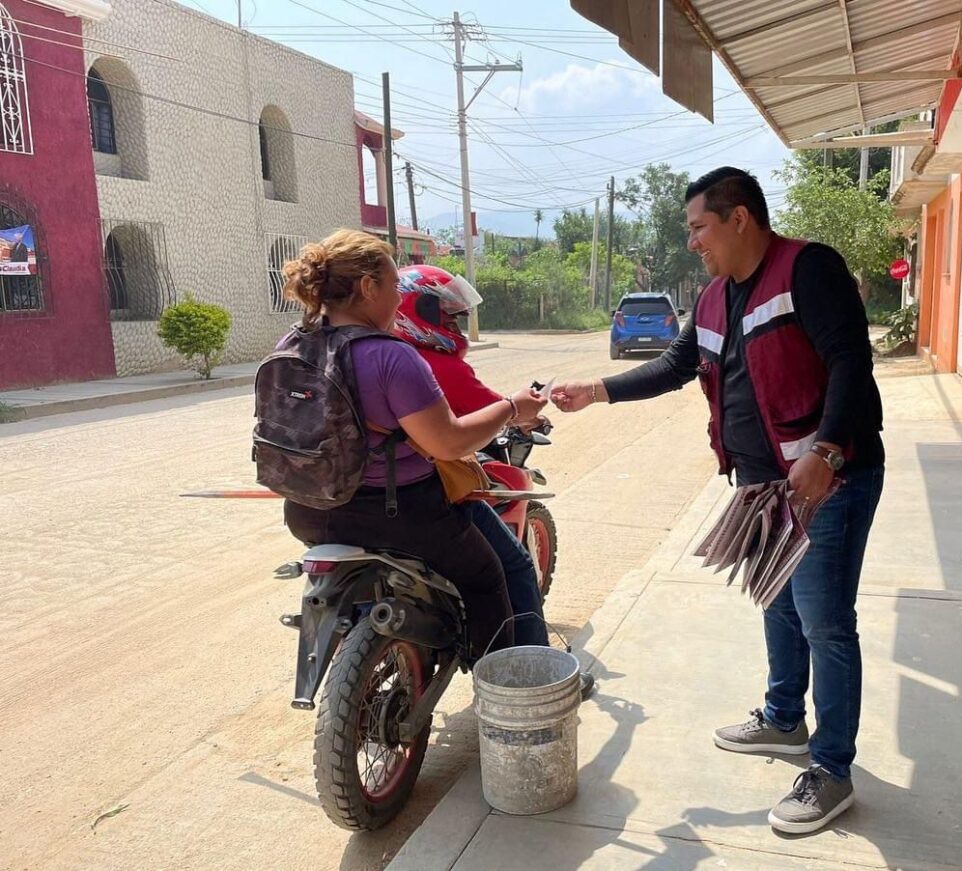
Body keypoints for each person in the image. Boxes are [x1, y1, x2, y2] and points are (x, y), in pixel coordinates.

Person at [552, 167, 885, 834]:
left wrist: (826, 453)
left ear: (740, 219)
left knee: (824, 619)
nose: (694, 242)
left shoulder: (808, 269)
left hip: (828, 480)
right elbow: (677, 367)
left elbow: (851, 361)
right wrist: (597, 389)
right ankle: (786, 715)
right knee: (779, 601)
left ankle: (831, 768)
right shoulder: (711, 299)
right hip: (762, 487)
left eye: (700, 227)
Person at [278, 229, 547, 660]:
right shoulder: (392, 356)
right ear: (368, 288)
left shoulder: (291, 345)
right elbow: (449, 443)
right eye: (391, 287)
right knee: (493, 572)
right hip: (401, 514)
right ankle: (510, 681)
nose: (398, 302)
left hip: (308, 512)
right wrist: (512, 409)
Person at [392, 264, 596, 698]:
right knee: (516, 566)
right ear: (414, 308)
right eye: (444, 315)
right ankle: (539, 678)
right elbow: (487, 414)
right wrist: (517, 409)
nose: (452, 324)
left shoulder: (343, 349)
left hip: (342, 501)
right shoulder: (424, 362)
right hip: (422, 496)